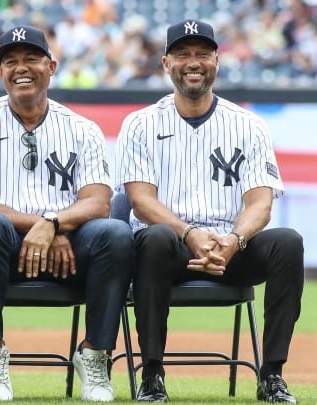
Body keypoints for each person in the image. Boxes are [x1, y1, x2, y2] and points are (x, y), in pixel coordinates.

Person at [114, 19, 304, 403]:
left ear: (217, 60)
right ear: (166, 63)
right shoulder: (140, 123)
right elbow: (140, 201)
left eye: (203, 53)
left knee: (288, 242)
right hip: (168, 248)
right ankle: (152, 374)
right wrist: (189, 233)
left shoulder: (248, 125)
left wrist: (234, 240)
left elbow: (260, 203)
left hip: (230, 248)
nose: (193, 62)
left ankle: (272, 375)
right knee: (153, 237)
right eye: (183, 54)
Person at [0, 25, 134, 402]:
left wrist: (55, 224)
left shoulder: (82, 128)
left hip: (71, 252)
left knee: (116, 233)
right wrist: (46, 226)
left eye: (32, 58)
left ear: (52, 66)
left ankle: (95, 355)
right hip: (3, 251)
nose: (21, 68)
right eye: (10, 61)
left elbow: (99, 202)